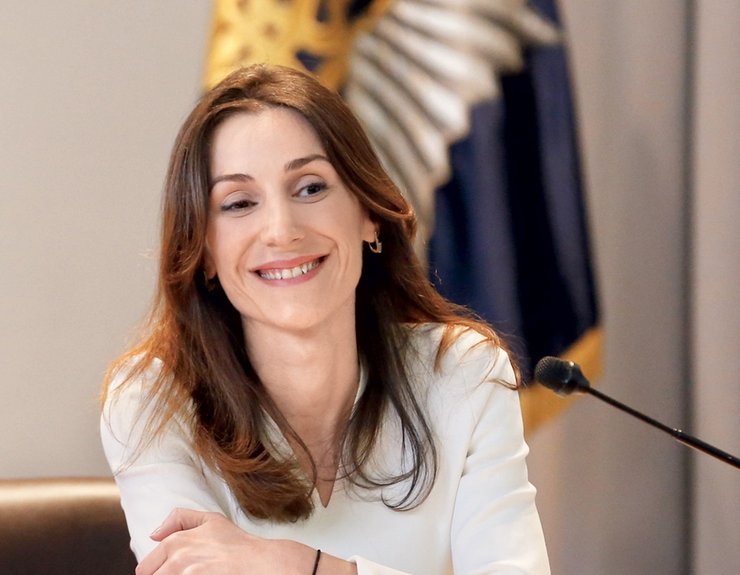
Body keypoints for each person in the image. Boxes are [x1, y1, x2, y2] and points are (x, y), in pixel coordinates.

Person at [100, 63, 550, 575]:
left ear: (369, 214)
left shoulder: (463, 373)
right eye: (240, 202)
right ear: (203, 251)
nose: (282, 230)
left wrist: (305, 567)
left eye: (311, 188)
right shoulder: (153, 401)